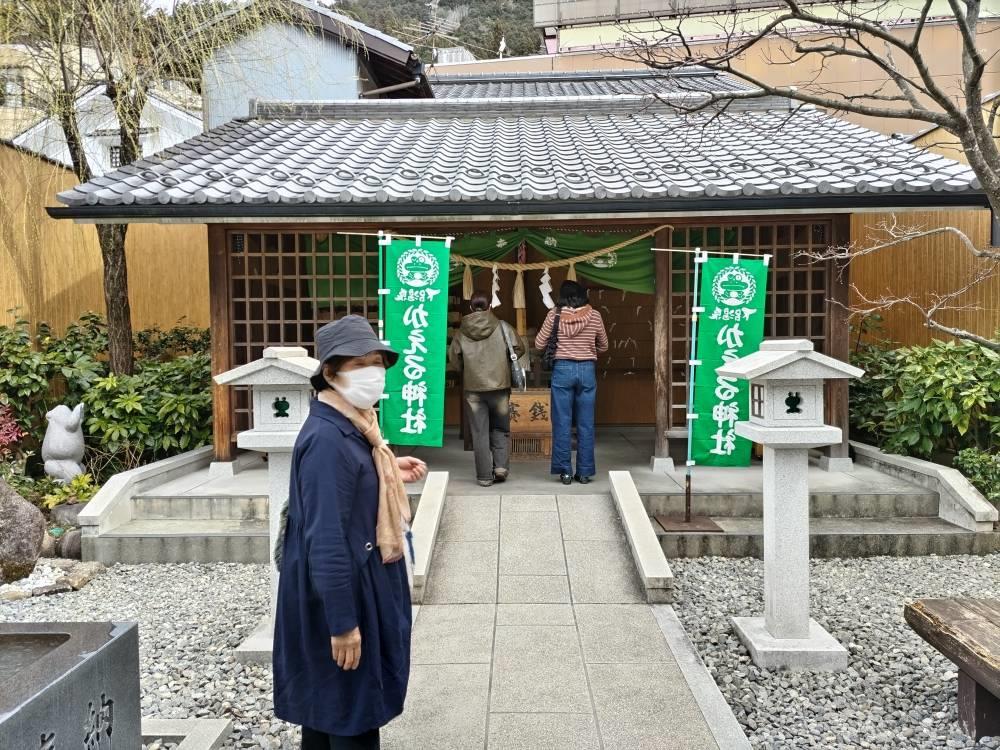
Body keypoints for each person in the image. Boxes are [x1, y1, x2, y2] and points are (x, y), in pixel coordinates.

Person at [273, 315, 428, 750]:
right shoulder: (329, 439)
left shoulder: (353, 428)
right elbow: (326, 538)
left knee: (331, 710)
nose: (373, 372)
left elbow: (347, 485)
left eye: (377, 362)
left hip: (350, 585)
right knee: (350, 713)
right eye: (359, 364)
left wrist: (385, 472)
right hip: (342, 595)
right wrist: (343, 624)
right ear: (330, 373)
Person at [534, 280, 608, 486]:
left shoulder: (554, 315)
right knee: (586, 423)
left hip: (563, 369)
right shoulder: (595, 315)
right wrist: (587, 348)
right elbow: (604, 345)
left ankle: (565, 471)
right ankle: (584, 472)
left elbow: (539, 344)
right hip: (587, 370)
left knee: (562, 421)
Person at [448, 292, 525, 487]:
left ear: (471, 308)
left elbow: (455, 360)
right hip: (500, 387)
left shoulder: (461, 332)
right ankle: (500, 467)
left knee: (479, 432)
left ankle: (484, 476)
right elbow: (519, 348)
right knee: (500, 428)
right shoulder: (503, 326)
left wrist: (468, 370)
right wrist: (503, 362)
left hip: (473, 389)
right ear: (490, 306)